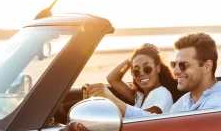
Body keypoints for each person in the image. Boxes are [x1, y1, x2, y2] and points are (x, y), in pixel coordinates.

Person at [86, 32, 221, 118]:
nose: (175, 72)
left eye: (183, 65)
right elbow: (159, 124)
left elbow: (153, 121)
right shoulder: (185, 101)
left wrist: (113, 101)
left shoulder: (215, 104)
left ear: (207, 66)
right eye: (175, 65)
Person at [106, 43, 182, 114]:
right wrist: (133, 57)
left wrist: (109, 97)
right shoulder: (140, 96)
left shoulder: (162, 93)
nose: (141, 73)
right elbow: (112, 79)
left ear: (157, 68)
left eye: (147, 68)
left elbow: (143, 117)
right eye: (136, 71)